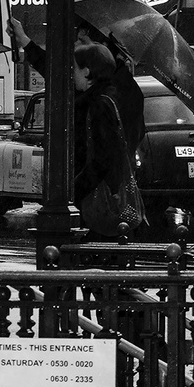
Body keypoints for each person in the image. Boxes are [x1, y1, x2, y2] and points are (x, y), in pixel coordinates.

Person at [73, 41, 140, 241]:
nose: (71, 74)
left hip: (99, 199)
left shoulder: (97, 104)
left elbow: (102, 157)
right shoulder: (112, 97)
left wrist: (75, 189)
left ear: (86, 71)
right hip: (106, 193)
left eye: (74, 68)